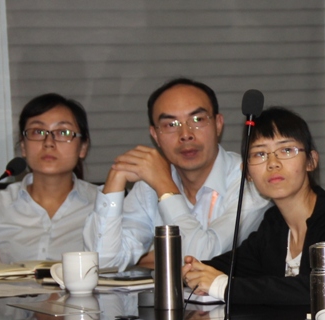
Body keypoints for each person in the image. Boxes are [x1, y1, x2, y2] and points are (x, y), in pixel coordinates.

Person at [181, 107, 325, 304]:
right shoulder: (274, 224)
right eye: (260, 154)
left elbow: (319, 290)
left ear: (311, 161)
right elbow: (232, 265)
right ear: (247, 173)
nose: (273, 163)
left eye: (286, 150)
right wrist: (191, 270)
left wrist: (224, 286)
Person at [83, 78, 270, 271]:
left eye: (197, 120)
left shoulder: (250, 180)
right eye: (171, 124)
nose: (186, 134)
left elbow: (204, 260)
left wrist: (165, 188)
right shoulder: (149, 186)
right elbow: (102, 263)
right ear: (155, 135)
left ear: (218, 124)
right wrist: (115, 181)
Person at [0, 93, 98, 265]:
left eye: (63, 132)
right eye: (37, 132)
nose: (48, 142)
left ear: (83, 148)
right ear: (23, 146)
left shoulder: (105, 205)